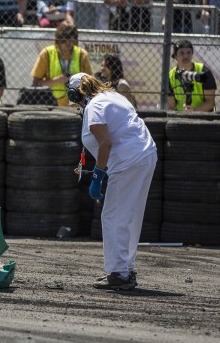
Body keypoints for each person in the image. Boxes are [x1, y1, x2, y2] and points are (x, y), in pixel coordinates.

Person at [67, 72, 157, 290]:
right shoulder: (114, 97)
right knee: (130, 215)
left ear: (75, 94)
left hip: (129, 162)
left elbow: (105, 143)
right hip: (146, 155)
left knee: (113, 216)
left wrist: (97, 176)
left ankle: (119, 273)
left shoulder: (95, 106)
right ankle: (126, 269)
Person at [30, 23, 93, 106]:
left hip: (76, 104)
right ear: (58, 39)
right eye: (65, 39)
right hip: (51, 104)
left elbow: (90, 82)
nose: (68, 43)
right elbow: (36, 83)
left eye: (71, 39)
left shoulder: (82, 54)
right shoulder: (47, 53)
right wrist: (58, 80)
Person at [167, 40, 217, 112]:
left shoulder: (203, 71)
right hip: (180, 117)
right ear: (175, 56)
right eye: (182, 53)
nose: (186, 56)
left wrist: (193, 111)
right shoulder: (170, 75)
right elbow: (171, 106)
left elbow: (210, 102)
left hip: (204, 116)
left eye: (189, 53)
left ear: (192, 54)